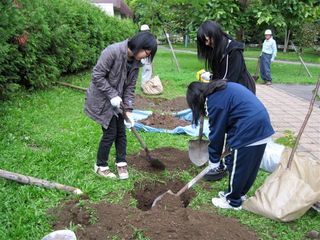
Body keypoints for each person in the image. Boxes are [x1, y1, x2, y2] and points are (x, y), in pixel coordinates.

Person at [186, 80, 274, 209]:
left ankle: (232, 201)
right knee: (249, 167)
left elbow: (217, 133)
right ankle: (240, 194)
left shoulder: (213, 102)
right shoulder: (222, 89)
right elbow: (229, 121)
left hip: (248, 128)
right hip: (261, 125)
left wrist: (214, 159)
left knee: (238, 167)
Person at [84, 31, 157, 180]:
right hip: (102, 100)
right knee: (110, 132)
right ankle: (100, 165)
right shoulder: (112, 52)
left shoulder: (136, 63)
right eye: (146, 52)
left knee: (122, 133)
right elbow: (97, 75)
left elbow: (130, 88)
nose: (145, 57)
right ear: (139, 46)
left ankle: (121, 162)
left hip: (118, 102)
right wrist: (112, 94)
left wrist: (129, 110)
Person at [196, 20, 256, 181]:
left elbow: (230, 79)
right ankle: (221, 163)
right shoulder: (218, 49)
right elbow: (220, 76)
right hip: (227, 91)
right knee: (223, 126)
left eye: (208, 39)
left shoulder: (233, 50)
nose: (207, 43)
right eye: (204, 41)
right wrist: (211, 77)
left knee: (233, 129)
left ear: (215, 33)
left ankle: (228, 163)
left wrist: (210, 88)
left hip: (241, 93)